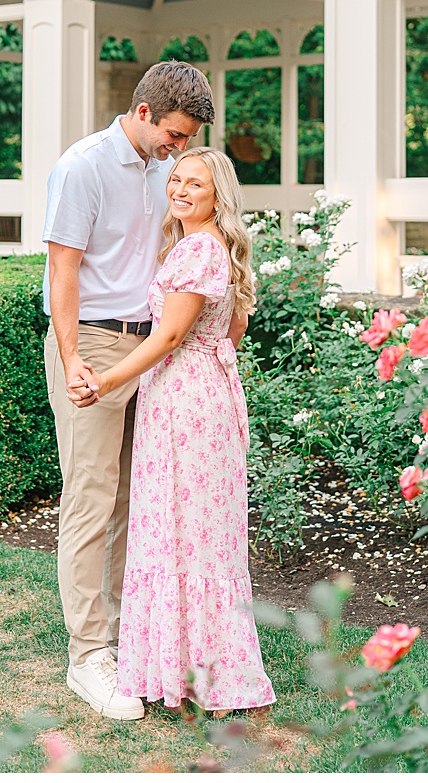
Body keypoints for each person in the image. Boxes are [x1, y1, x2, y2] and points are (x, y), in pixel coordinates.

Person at [69, 146, 277, 714]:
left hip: (183, 405)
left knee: (179, 531)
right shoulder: (220, 251)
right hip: (205, 394)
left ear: (218, 197)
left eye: (196, 185)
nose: (181, 190)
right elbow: (229, 332)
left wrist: (108, 380)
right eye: (177, 179)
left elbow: (166, 339)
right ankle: (201, 669)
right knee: (200, 534)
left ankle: (191, 672)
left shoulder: (196, 251)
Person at [43, 61, 214, 720]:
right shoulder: (83, 166)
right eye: (173, 135)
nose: (179, 149)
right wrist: (73, 357)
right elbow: (62, 269)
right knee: (89, 498)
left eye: (186, 139)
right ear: (143, 113)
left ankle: (126, 637)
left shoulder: (165, 167)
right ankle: (88, 655)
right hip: (93, 341)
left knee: (132, 496)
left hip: (154, 347)